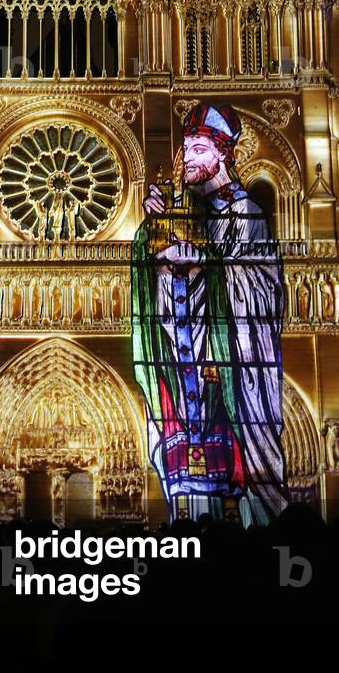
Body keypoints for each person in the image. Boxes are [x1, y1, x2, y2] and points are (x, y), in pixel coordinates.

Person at [131, 103, 287, 526]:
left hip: (232, 367)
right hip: (187, 360)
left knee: (234, 473)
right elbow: (164, 263)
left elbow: (257, 291)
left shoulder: (245, 213)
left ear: (222, 154)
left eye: (198, 150)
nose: (188, 160)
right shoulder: (191, 211)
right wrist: (155, 227)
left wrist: (204, 263)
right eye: (187, 149)